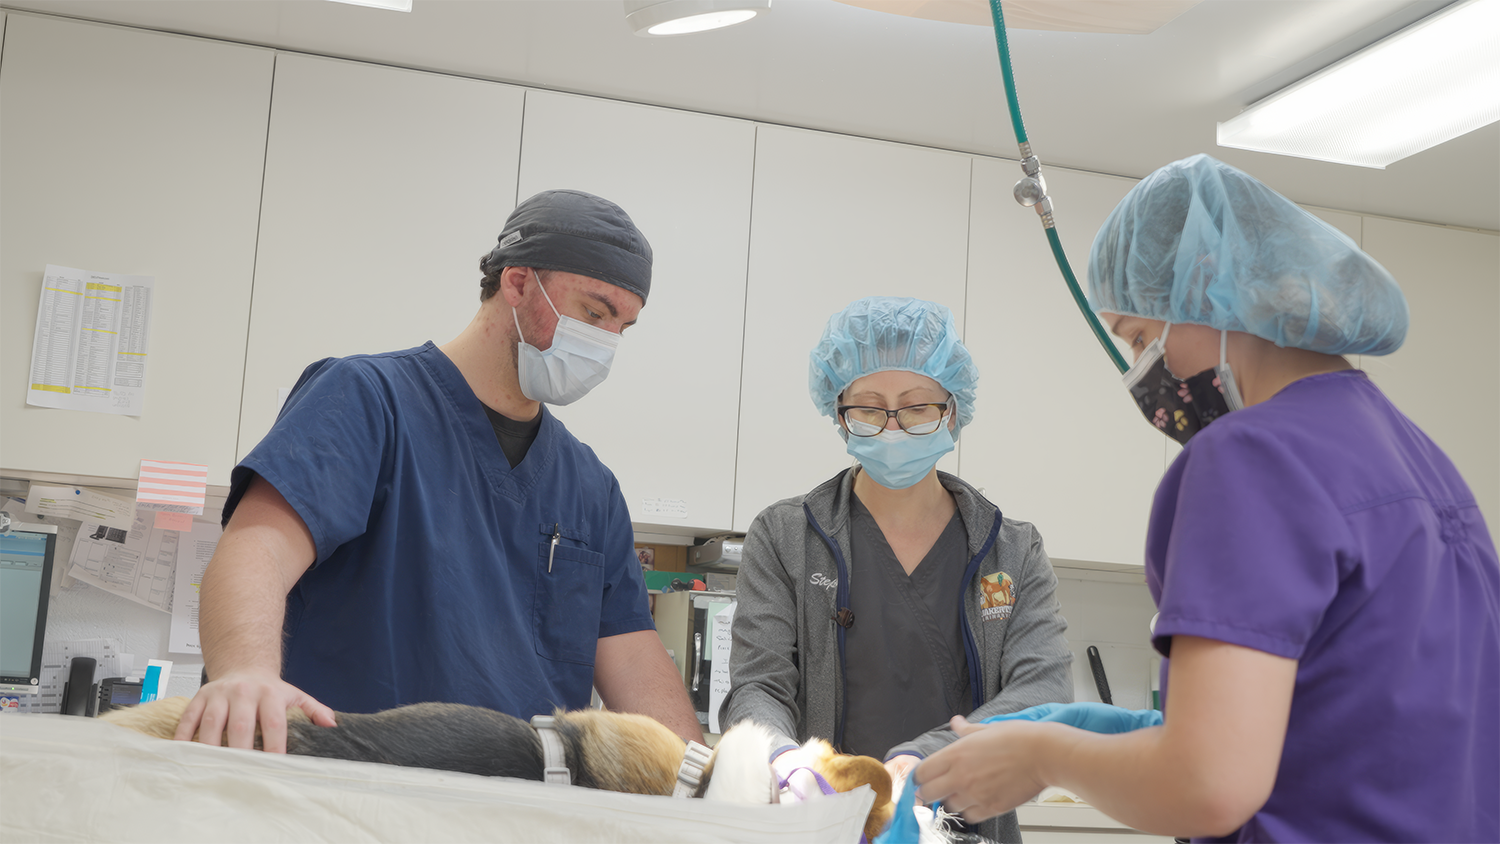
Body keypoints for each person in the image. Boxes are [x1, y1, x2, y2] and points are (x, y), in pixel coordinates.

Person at [916, 155, 1500, 842]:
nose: (1141, 373)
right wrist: (1101, 732)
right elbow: (1350, 727)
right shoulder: (1418, 458)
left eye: (1138, 336)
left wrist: (1041, 757)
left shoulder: (1251, 456)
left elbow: (1208, 785)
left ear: (1210, 295)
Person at [175, 189, 703, 752]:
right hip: (342, 788)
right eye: (594, 313)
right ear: (518, 282)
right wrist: (246, 672)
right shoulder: (368, 401)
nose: (604, 344)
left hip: (516, 810)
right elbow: (258, 548)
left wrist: (707, 780)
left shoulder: (590, 489)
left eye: (621, 328)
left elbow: (632, 655)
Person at [722, 297, 1073, 844]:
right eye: (867, 407)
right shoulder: (787, 536)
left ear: (952, 411)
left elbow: (1041, 693)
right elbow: (757, 685)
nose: (891, 427)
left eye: (915, 407)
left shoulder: (1011, 550)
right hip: (826, 823)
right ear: (839, 412)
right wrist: (782, 758)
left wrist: (922, 759)